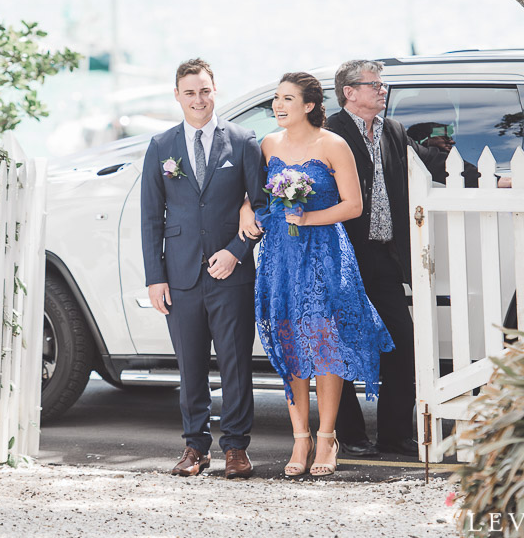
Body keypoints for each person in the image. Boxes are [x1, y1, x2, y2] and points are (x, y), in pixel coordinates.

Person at [325, 60, 479, 458]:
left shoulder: (391, 130)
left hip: (385, 257)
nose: (382, 90)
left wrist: (494, 179)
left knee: (402, 347)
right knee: (343, 349)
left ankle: (394, 434)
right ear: (350, 92)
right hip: (343, 259)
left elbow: (431, 160)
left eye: (382, 84)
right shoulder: (329, 133)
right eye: (374, 85)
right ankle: (350, 436)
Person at [245, 72, 393, 477]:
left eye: (287, 99)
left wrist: (308, 217)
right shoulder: (268, 144)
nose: (278, 106)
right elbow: (255, 194)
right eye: (276, 98)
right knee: (290, 338)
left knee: (325, 340)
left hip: (325, 251)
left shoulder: (333, 144)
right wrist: (247, 209)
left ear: (309, 106)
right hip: (280, 254)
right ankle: (301, 437)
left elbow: (354, 205)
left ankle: (327, 437)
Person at [140, 59, 266, 479]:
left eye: (205, 91)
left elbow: (262, 206)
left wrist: (236, 251)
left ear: (216, 92)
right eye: (190, 92)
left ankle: (235, 448)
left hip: (231, 272)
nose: (198, 99)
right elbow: (151, 218)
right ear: (177, 95)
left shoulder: (244, 140)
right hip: (180, 276)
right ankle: (195, 446)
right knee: (190, 366)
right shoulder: (161, 146)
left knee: (235, 364)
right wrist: (155, 277)